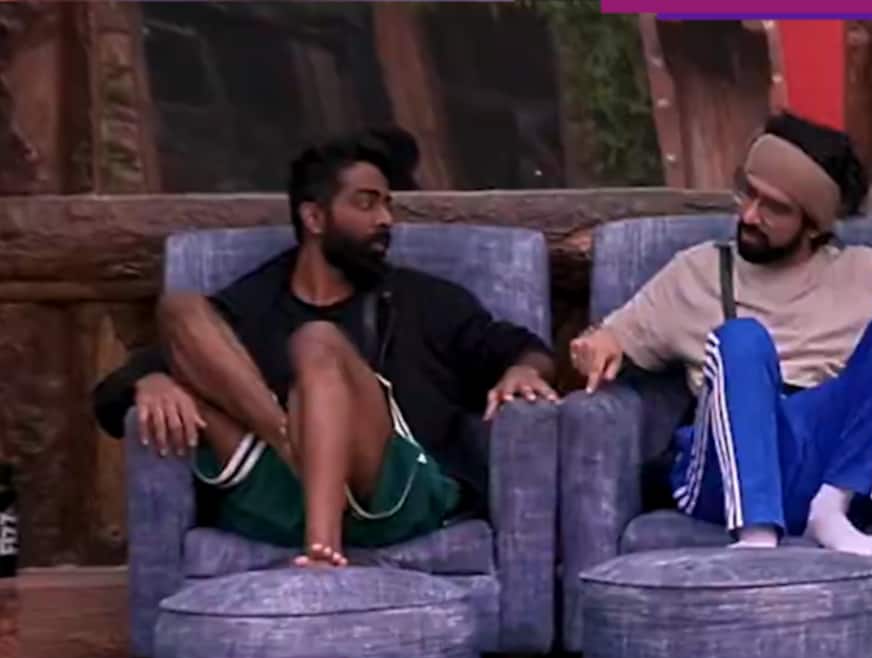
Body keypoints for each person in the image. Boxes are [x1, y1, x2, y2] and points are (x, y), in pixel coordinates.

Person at [93, 131, 558, 567]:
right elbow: (114, 393)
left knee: (317, 342)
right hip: (282, 485)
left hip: (390, 494)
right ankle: (290, 444)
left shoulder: (425, 301)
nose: (385, 220)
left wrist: (524, 370)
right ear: (314, 218)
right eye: (366, 203)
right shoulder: (255, 303)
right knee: (180, 309)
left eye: (387, 205)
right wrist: (150, 382)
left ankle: (322, 554)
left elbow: (522, 348)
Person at [569, 112, 872, 557]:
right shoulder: (696, 271)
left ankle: (831, 508)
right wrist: (594, 346)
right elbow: (610, 338)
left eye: (774, 208)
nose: (749, 215)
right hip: (724, 472)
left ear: (814, 225)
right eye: (748, 193)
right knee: (742, 339)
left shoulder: (868, 274)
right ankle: (756, 536)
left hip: (824, 458)